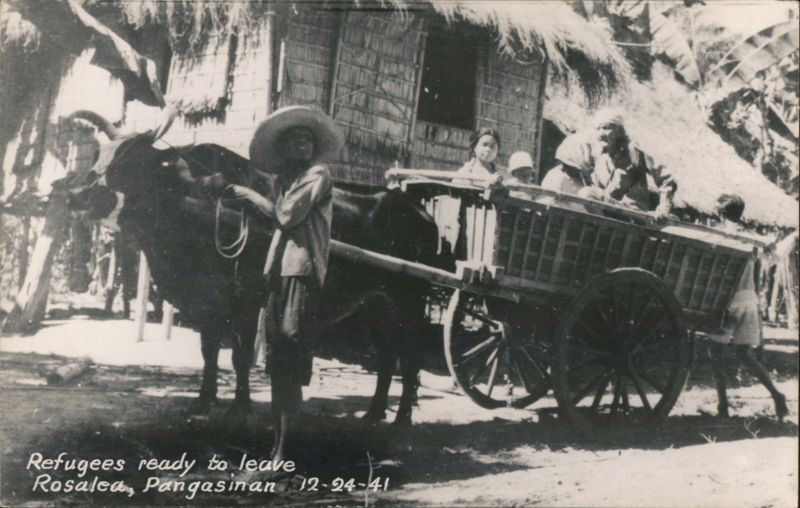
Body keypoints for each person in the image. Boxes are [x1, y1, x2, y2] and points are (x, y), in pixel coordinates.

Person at [227, 105, 344, 462]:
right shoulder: (287, 182)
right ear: (284, 148)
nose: (304, 144)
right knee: (277, 358)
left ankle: (286, 454)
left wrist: (249, 197)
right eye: (296, 139)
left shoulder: (318, 175)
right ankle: (278, 449)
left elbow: (286, 216)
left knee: (290, 355)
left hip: (302, 272)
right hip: (279, 273)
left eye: (308, 139)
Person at [708, 194, 788, 421]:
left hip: (728, 302)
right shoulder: (751, 240)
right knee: (744, 353)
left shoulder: (718, 236)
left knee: (715, 355)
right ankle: (776, 394)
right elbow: (772, 257)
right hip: (748, 300)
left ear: (720, 213)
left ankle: (723, 406)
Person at [586, 108, 676, 219]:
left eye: (606, 128)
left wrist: (663, 209)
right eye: (597, 129)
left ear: (619, 130)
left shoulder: (633, 151)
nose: (601, 134)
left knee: (587, 194)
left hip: (632, 213)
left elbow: (666, 178)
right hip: (609, 210)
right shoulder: (599, 156)